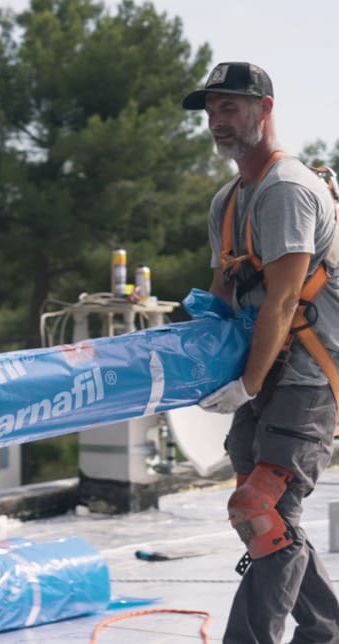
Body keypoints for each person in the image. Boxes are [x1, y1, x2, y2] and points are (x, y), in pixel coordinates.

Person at [187, 62, 339, 643]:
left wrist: (245, 385)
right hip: (258, 371)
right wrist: (194, 364)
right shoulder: (228, 200)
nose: (217, 122)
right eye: (211, 111)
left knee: (263, 508)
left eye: (229, 108)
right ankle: (326, 629)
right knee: (262, 516)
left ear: (264, 110)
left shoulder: (289, 191)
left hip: (304, 376)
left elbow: (280, 302)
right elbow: (227, 297)